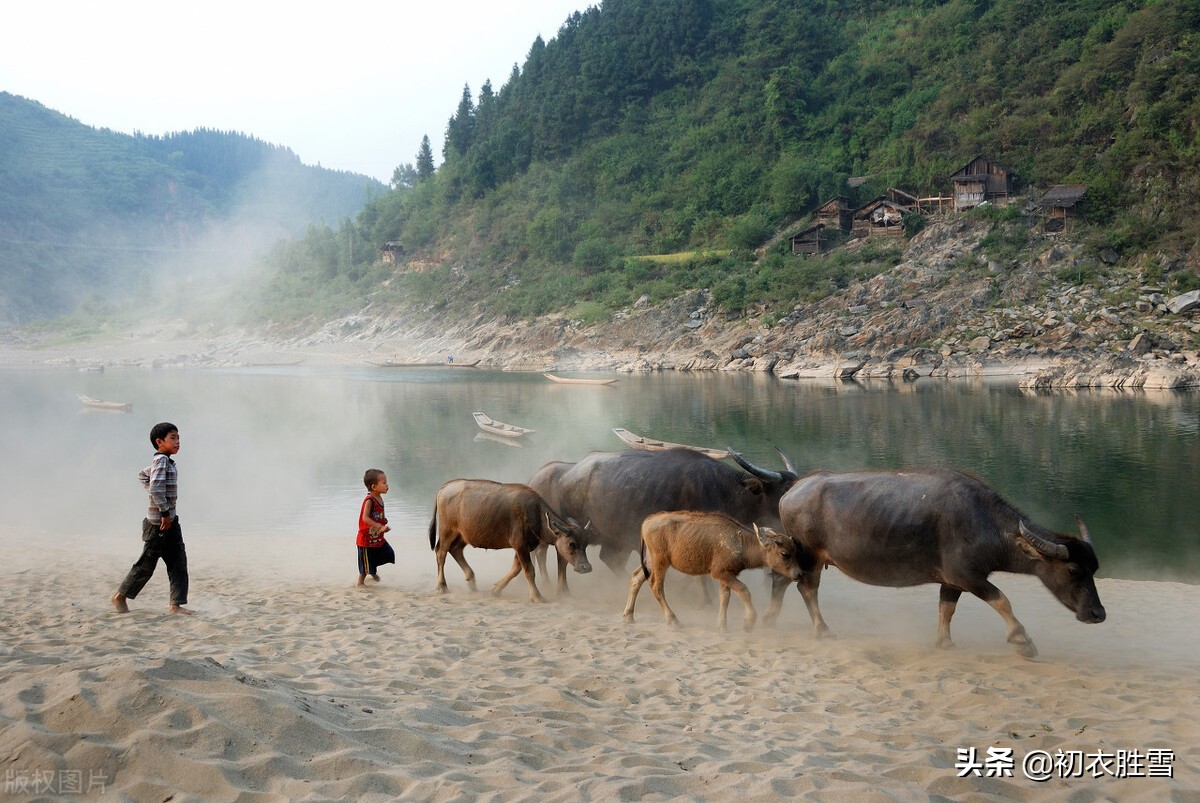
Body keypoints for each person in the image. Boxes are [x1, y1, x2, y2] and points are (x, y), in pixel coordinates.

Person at [111, 422, 193, 615]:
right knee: (146, 565)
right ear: (159, 441)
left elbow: (143, 475)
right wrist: (164, 511)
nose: (178, 442)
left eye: (178, 438)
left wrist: (165, 509)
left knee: (178, 562)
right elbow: (156, 487)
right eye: (173, 438)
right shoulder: (161, 461)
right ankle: (119, 597)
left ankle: (175, 605)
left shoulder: (166, 461)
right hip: (159, 524)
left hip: (170, 522)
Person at [356, 468, 395, 586]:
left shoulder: (380, 498)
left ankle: (372, 571)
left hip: (377, 537)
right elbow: (365, 518)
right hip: (366, 540)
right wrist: (379, 526)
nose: (387, 485)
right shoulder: (369, 500)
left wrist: (383, 520)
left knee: (389, 553)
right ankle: (360, 583)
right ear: (374, 487)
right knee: (365, 565)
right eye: (384, 483)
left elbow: (377, 514)